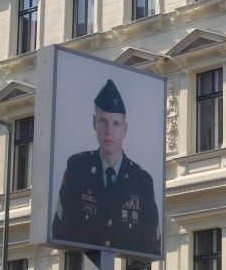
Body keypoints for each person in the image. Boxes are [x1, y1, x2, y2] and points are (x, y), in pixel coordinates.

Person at [52, 79, 160, 255]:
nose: (109, 131)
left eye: (115, 123)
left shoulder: (142, 180)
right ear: (94, 122)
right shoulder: (77, 168)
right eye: (103, 121)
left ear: (124, 129)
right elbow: (61, 231)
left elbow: (151, 244)